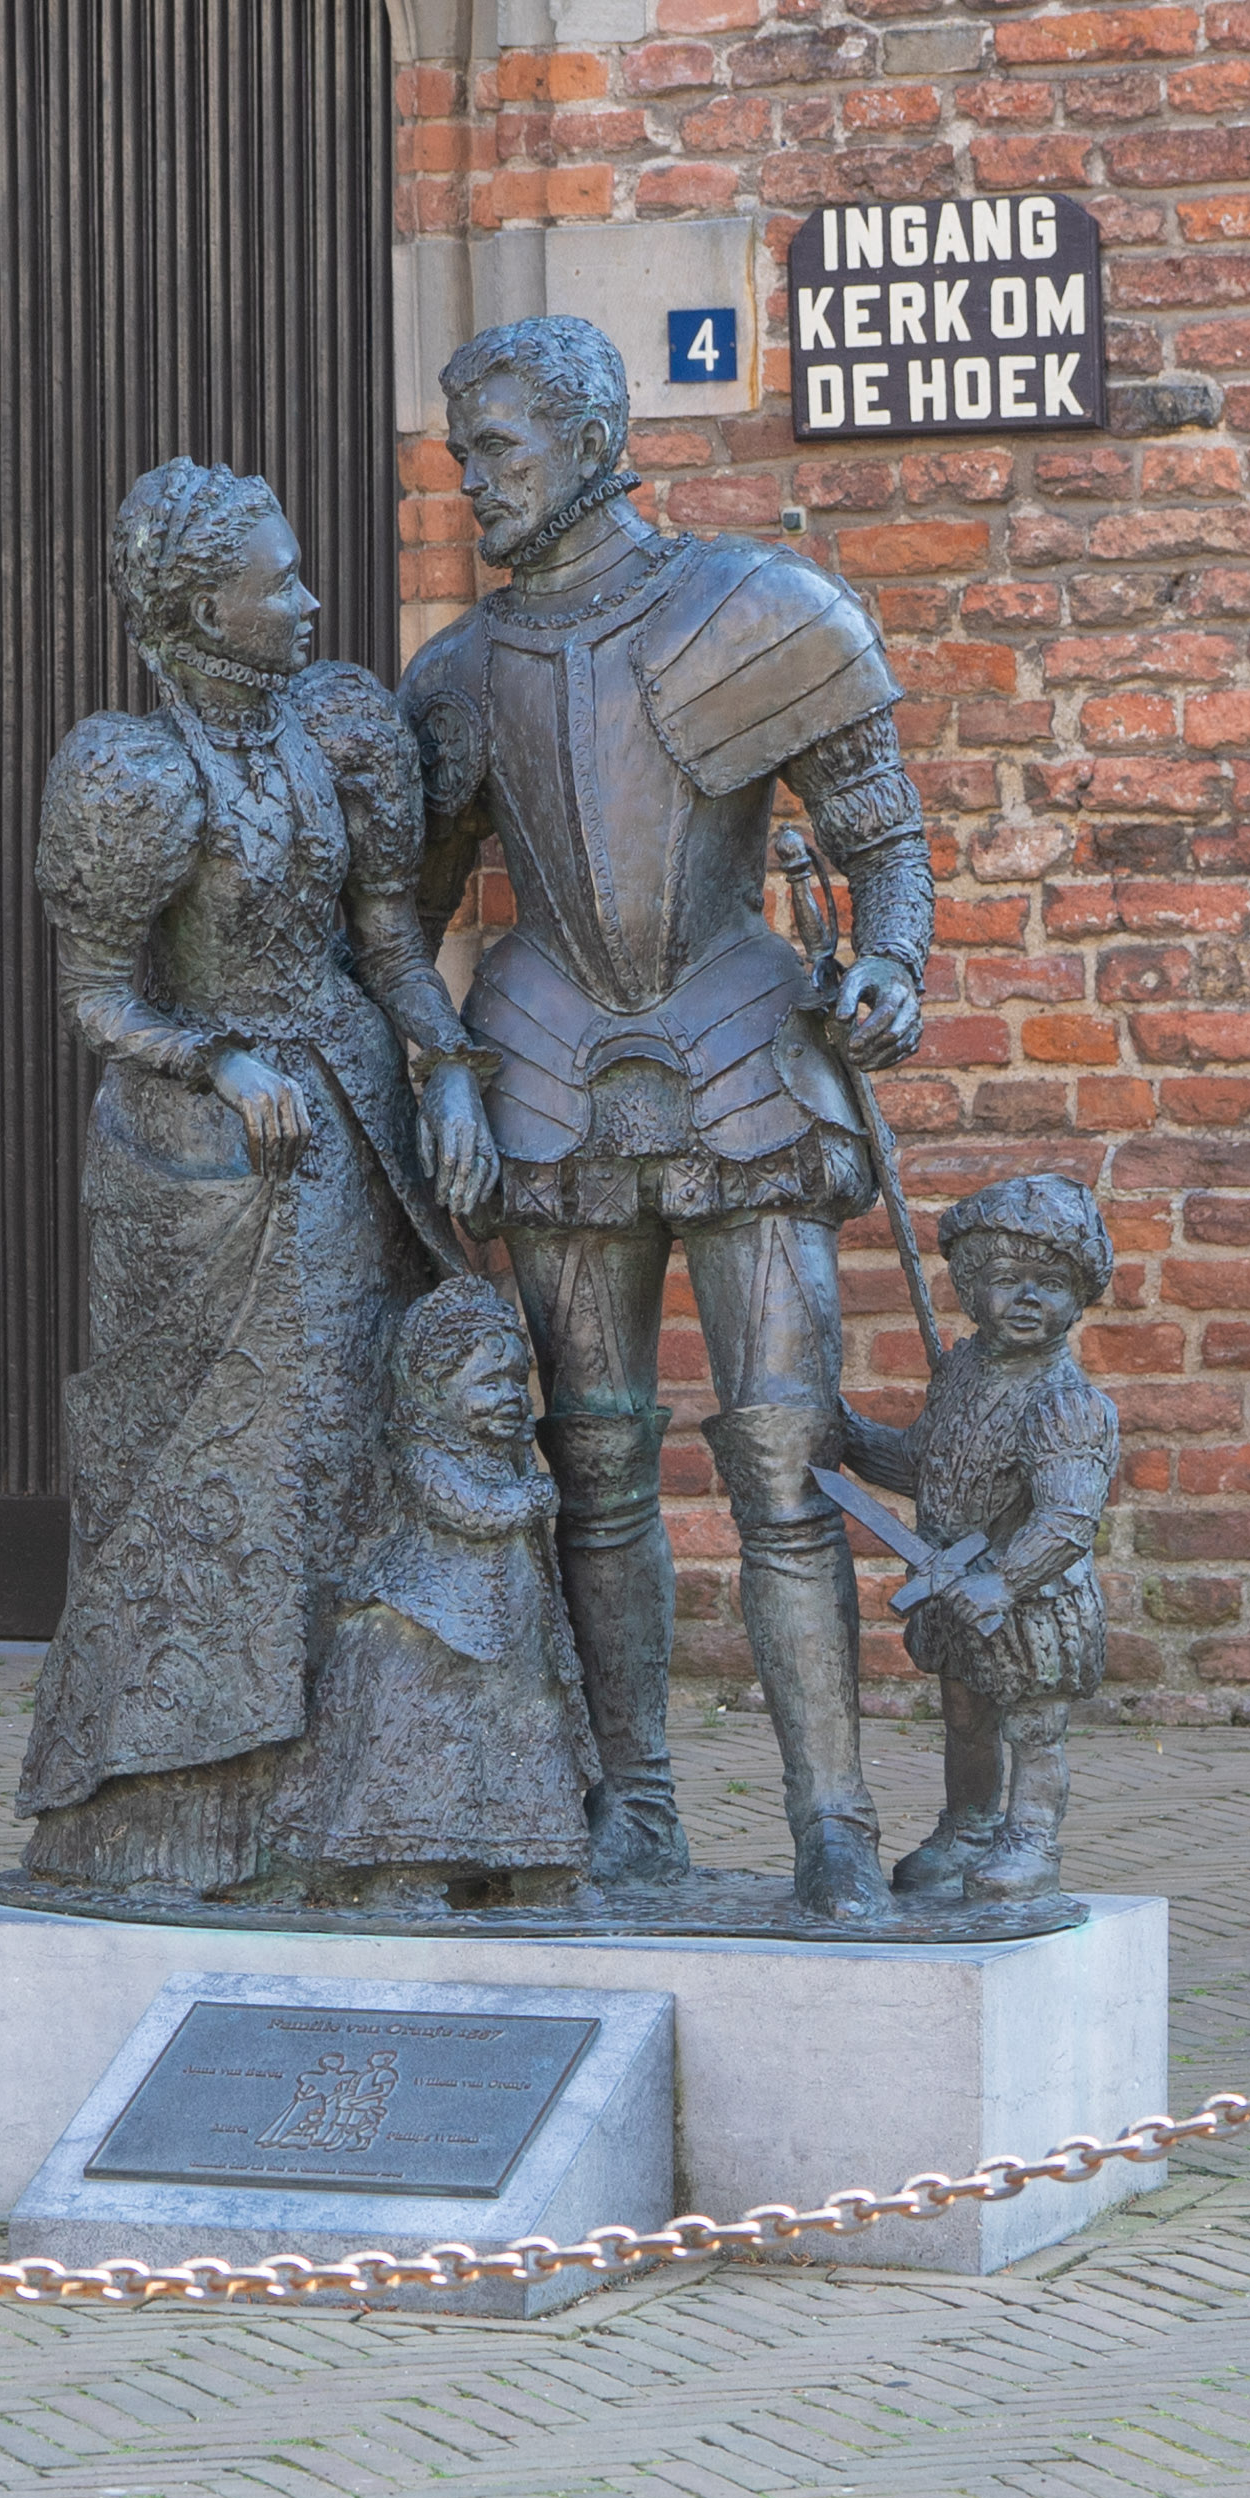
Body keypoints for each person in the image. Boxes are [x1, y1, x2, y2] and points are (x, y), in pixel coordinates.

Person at [403, 315, 935, 1921]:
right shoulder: (458, 674)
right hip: (547, 1056)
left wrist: (889, 964)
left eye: (496, 448)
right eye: (461, 452)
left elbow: (878, 833)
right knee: (593, 1457)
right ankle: (628, 1805)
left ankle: (831, 1819)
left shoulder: (752, 607)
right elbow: (402, 914)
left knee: (786, 1449)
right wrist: (436, 1062)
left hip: (739, 1040)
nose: (471, 479)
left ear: (588, 440)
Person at [15, 459, 479, 1892]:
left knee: (347, 1438)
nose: (311, 600)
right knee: (217, 1463)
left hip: (348, 1122)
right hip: (200, 1159)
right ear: (200, 608)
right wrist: (216, 1060)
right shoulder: (132, 772)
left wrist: (448, 1065)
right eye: (279, 582)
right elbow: (95, 996)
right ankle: (187, 1806)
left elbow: (388, 939)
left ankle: (360, 1792)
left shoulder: (337, 723)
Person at [837, 1175, 1121, 1905]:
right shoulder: (960, 1375)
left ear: (1078, 1298)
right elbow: (921, 1465)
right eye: (1005, 1279)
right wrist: (850, 1436)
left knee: (1034, 1724)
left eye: (1050, 1284)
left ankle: (1031, 1840)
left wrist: (1005, 1580)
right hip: (953, 1589)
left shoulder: (1067, 1404)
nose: (1027, 1298)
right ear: (968, 1287)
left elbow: (1066, 1518)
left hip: (1029, 1599)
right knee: (965, 1716)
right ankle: (968, 1827)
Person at [277, 1279, 601, 1905]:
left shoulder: (506, 1453)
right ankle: (406, 1867)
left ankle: (539, 1863)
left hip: (512, 1632)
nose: (511, 1397)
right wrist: (532, 1498)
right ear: (432, 1387)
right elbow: (467, 1510)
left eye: (517, 1381)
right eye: (489, 1383)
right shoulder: (425, 1454)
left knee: (525, 1731)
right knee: (426, 1738)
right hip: (435, 1621)